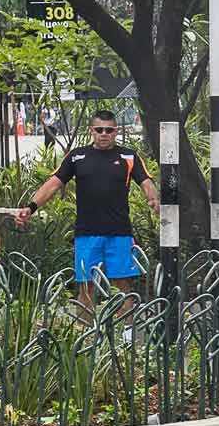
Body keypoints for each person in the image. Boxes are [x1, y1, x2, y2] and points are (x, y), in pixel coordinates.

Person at [14, 109, 160, 312]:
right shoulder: (77, 157)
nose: (104, 134)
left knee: (122, 287)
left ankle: (127, 338)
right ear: (92, 130)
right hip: (86, 234)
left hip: (119, 233)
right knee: (86, 288)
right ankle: (88, 338)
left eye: (109, 130)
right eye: (99, 129)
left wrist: (153, 200)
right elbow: (53, 184)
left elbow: (146, 181)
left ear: (116, 131)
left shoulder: (128, 156)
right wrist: (30, 208)